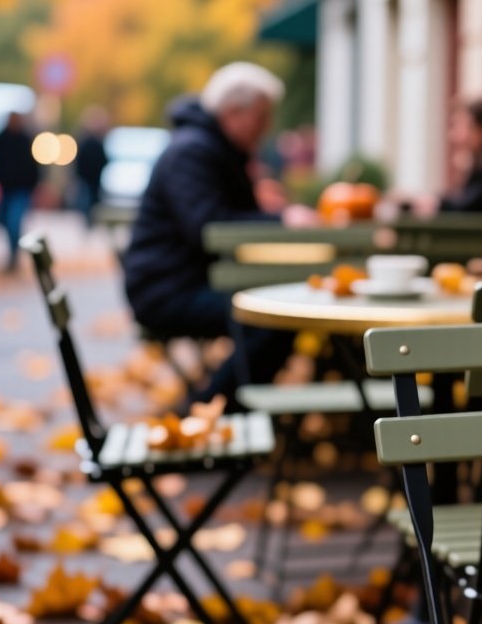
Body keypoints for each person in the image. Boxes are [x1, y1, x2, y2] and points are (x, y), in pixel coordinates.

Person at [122, 62, 313, 406]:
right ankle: (210, 411)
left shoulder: (212, 148)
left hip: (184, 281)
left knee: (278, 313)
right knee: (271, 317)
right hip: (167, 290)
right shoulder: (193, 151)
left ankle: (225, 410)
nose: (266, 127)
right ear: (232, 112)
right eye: (261, 116)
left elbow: (219, 216)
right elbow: (209, 227)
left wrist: (264, 210)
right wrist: (282, 220)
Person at [0, 111, 38, 269]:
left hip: (21, 190)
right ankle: (12, 251)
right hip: (5, 189)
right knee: (5, 221)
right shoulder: (0, 139)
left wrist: (32, 185)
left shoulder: (25, 140)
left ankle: (13, 254)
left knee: (14, 221)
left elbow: (33, 167)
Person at [72, 106, 110, 226]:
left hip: (91, 178)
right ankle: (88, 221)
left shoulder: (89, 141)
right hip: (90, 178)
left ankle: (88, 221)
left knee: (89, 201)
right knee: (88, 201)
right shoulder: (91, 142)